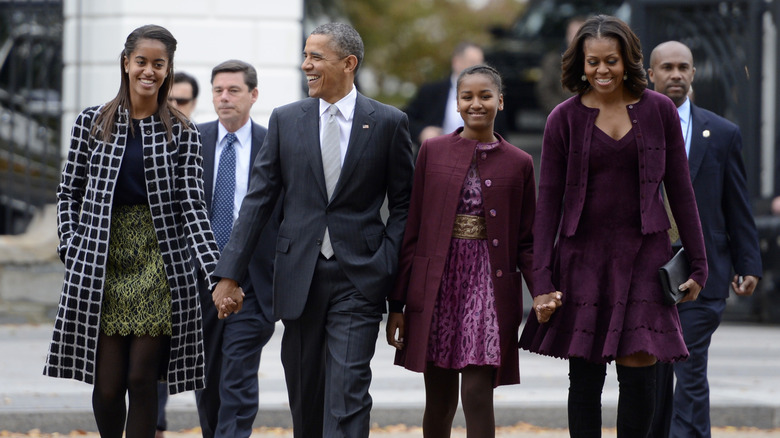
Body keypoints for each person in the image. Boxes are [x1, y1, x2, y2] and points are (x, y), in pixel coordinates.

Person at [210, 23, 414, 437]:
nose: (306, 65)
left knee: (349, 392)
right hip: (298, 277)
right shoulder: (287, 120)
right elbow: (259, 201)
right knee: (306, 396)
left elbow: (406, 207)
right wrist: (229, 274)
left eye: (316, 57)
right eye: (306, 56)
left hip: (360, 277)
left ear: (348, 63)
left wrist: (390, 273)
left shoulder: (389, 122)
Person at [517, 15, 708, 438]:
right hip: (582, 259)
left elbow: (681, 189)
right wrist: (542, 281)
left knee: (640, 369)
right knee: (585, 377)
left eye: (611, 61)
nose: (602, 70)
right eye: (593, 62)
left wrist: (698, 263)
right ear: (580, 65)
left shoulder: (658, 109)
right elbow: (547, 205)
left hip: (645, 255)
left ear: (628, 61)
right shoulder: (562, 119)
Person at [43, 24, 220, 438]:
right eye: (141, 62)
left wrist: (216, 273)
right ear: (126, 64)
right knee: (107, 387)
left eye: (159, 64)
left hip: (159, 260)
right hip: (101, 258)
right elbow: (68, 191)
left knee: (141, 380)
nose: (149, 71)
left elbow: (193, 206)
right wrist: (70, 244)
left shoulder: (182, 132)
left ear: (168, 69)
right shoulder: (93, 122)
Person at [386, 64, 535, 437]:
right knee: (438, 400)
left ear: (500, 100)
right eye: (467, 96)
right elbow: (413, 230)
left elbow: (528, 239)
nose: (476, 104)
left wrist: (543, 289)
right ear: (457, 102)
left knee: (476, 392)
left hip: (488, 283)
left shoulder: (520, 163)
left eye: (485, 96)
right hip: (438, 284)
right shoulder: (432, 152)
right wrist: (398, 305)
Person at [647, 41, 762, 438]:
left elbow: (737, 203)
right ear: (651, 74)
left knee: (689, 364)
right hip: (647, 271)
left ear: (693, 74)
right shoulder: (631, 129)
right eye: (667, 67)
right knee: (654, 372)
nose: (676, 74)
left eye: (684, 67)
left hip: (705, 270)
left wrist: (749, 264)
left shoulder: (723, 133)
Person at [193, 59, 280, 438]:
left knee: (238, 374)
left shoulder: (273, 144)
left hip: (254, 282)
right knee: (208, 377)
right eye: (218, 90)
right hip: (200, 279)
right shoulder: (192, 141)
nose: (224, 97)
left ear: (253, 95)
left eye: (233, 90)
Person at [155, 69, 199, 438]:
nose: (174, 107)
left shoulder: (194, 139)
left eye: (181, 101)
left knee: (160, 368)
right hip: (134, 265)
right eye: (168, 100)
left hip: (190, 269)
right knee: (128, 375)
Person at [404, 42, 504, 147]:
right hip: (437, 156)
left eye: (481, 64)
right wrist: (422, 132)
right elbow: (405, 119)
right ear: (456, 62)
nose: (478, 69)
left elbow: (501, 136)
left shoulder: (491, 97)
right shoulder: (431, 91)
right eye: (472, 62)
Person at [535, 16, 586, 115]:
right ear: (567, 35)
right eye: (572, 33)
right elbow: (545, 90)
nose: (575, 38)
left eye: (580, 34)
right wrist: (563, 111)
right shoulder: (553, 61)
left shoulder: (597, 62)